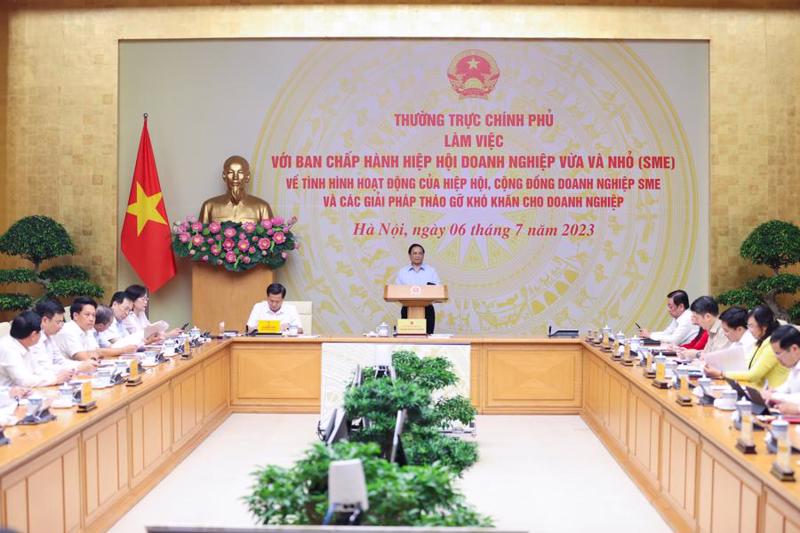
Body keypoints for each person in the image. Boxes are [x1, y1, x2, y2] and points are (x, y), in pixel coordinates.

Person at [704, 305, 789, 388]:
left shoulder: (772, 344)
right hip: (756, 389)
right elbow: (747, 366)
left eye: (751, 326)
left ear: (764, 327)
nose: (749, 330)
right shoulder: (761, 341)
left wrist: (721, 373)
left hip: (773, 394)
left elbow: (753, 375)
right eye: (748, 326)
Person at [0, 310, 73, 387]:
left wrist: (61, 375)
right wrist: (55, 379)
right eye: (40, 331)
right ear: (34, 335)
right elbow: (24, 381)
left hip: (25, 391)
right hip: (8, 395)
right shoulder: (8, 349)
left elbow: (38, 370)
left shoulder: (24, 342)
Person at [198, 155, 274, 224]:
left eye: (240, 172)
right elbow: (200, 236)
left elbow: (268, 237)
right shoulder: (209, 206)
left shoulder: (262, 207)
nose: (235, 177)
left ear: (247, 177)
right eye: (230, 172)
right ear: (224, 176)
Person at [30, 299, 97, 374]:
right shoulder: (34, 337)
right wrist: (78, 368)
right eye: (58, 322)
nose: (61, 326)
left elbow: (60, 361)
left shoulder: (50, 335)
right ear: (45, 320)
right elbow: (45, 368)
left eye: (62, 322)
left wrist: (82, 364)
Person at [396, 243, 440, 334]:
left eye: (420, 253)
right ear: (410, 255)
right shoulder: (403, 272)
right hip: (407, 308)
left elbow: (437, 290)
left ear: (423, 255)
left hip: (427, 309)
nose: (417, 256)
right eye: (414, 253)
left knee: (427, 338)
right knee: (407, 338)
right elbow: (396, 291)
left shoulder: (431, 271)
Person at [761, 325, 800, 413]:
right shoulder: (795, 364)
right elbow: (788, 387)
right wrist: (773, 391)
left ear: (794, 349)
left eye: (778, 353)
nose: (776, 358)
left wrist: (773, 396)